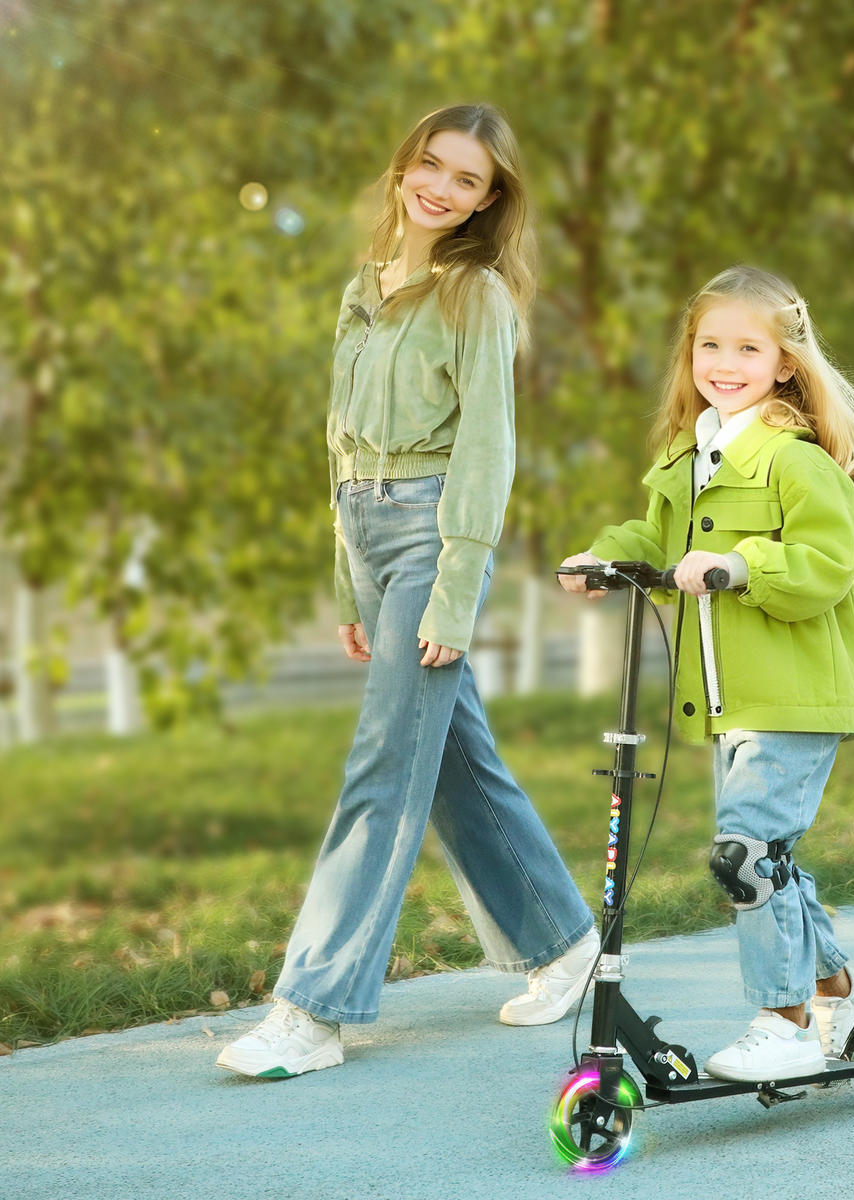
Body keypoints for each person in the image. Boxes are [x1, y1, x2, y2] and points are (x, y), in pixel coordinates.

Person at [218, 104, 598, 1080]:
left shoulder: (476, 296)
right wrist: (349, 578)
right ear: (404, 168)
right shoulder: (365, 288)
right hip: (370, 532)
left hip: (435, 534)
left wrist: (455, 587)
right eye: (432, 164)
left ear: (489, 200)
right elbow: (339, 441)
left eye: (467, 179)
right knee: (455, 762)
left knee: (385, 767)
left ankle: (314, 1010)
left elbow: (486, 449)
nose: (441, 187)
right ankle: (563, 944)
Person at [559, 264, 854, 1083]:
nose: (725, 361)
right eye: (710, 343)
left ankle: (783, 1020)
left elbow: (825, 562)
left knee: (742, 856)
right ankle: (841, 992)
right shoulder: (690, 454)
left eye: (748, 346)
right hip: (725, 700)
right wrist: (609, 555)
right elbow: (656, 533)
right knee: (766, 856)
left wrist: (739, 565)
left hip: (795, 694)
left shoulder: (795, 460)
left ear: (786, 363)